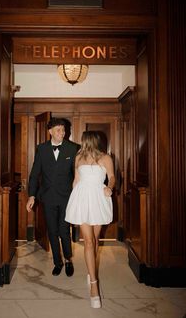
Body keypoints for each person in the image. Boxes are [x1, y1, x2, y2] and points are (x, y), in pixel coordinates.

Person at [65, 131, 115, 308]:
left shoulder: (106, 158)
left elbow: (112, 178)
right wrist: (72, 201)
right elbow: (76, 180)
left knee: (94, 241)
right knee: (87, 241)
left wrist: (109, 187)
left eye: (84, 140)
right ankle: (94, 285)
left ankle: (90, 270)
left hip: (98, 199)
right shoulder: (79, 158)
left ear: (89, 141)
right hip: (82, 198)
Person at [26, 117, 79, 277]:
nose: (62, 133)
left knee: (64, 231)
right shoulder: (41, 149)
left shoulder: (73, 148)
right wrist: (31, 196)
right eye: (58, 130)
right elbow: (35, 174)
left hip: (66, 197)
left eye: (63, 130)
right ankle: (58, 262)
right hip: (47, 197)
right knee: (52, 231)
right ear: (50, 132)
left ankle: (68, 259)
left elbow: (79, 173)